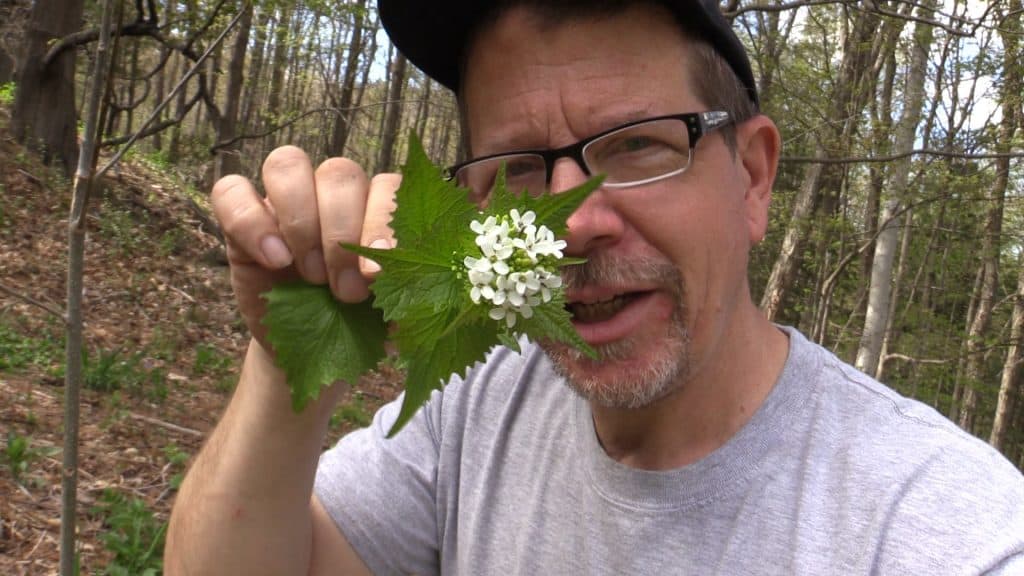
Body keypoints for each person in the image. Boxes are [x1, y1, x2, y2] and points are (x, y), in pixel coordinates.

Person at [165, 1, 1024, 574]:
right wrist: (289, 363)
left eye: (642, 145)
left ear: (754, 179)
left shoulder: (938, 530)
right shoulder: (484, 408)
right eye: (518, 168)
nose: (574, 224)